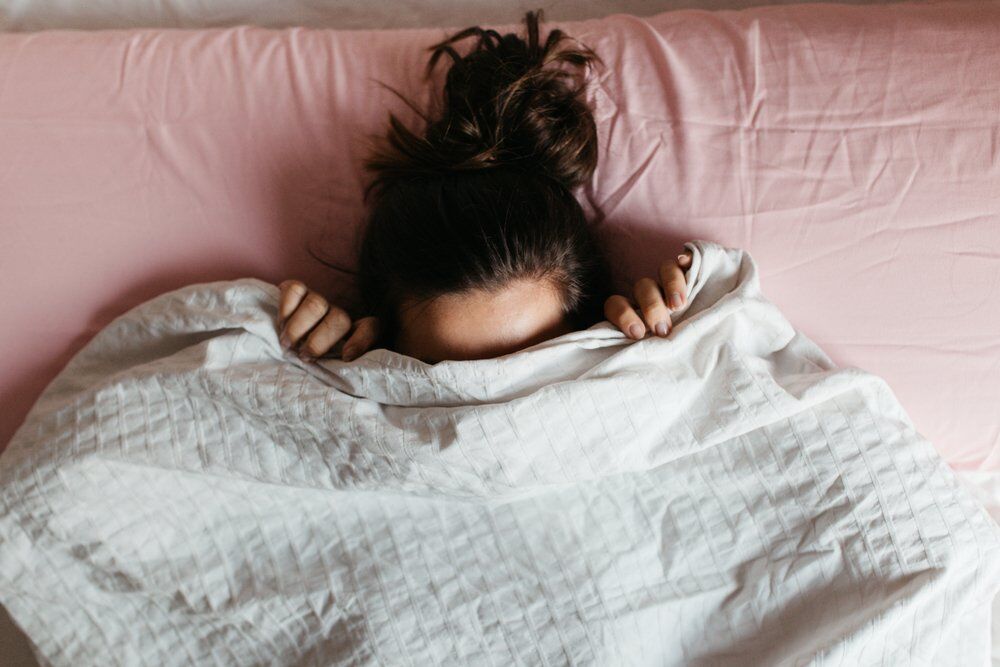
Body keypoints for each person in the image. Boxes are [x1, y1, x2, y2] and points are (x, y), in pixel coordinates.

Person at [277, 9, 693, 365]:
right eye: (450, 374)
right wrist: (301, 352)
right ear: (388, 346)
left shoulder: (632, 358)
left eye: (532, 363)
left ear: (586, 329)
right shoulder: (356, 367)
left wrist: (680, 335)